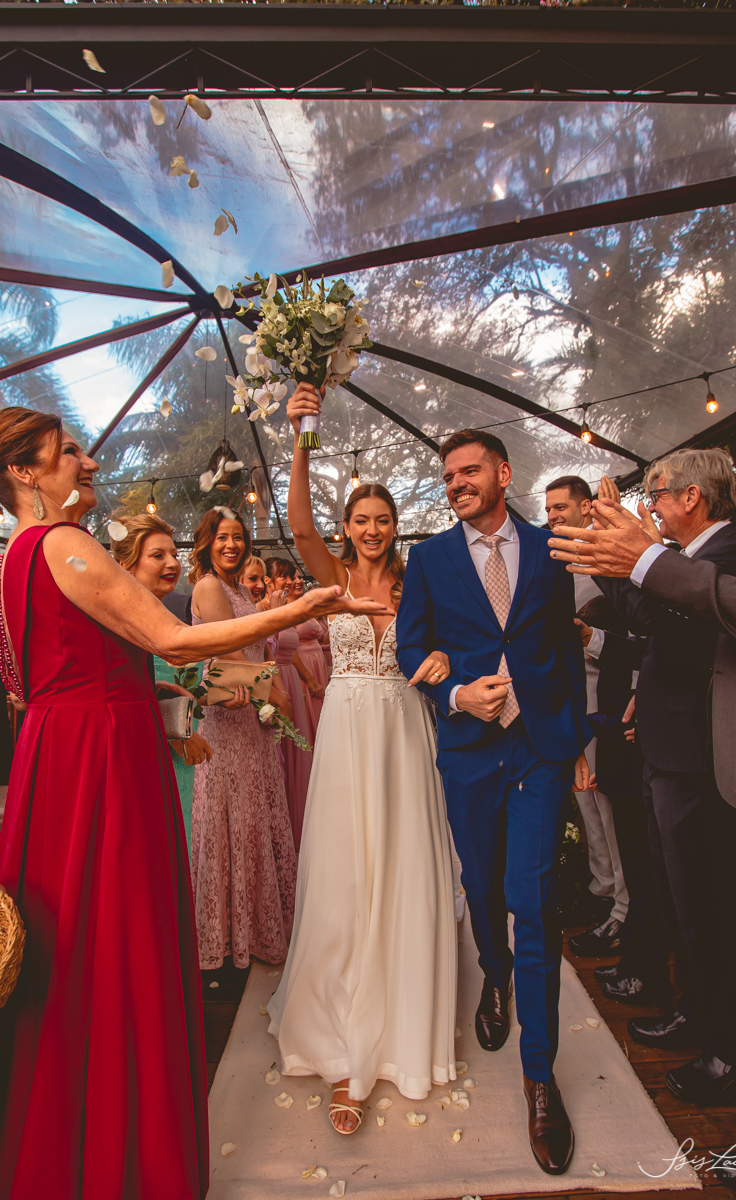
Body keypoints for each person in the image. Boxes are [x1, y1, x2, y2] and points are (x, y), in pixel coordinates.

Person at [0, 406, 385, 1200]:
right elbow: (171, 640)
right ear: (23, 471)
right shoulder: (62, 543)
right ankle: (123, 1155)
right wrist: (305, 607)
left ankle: (67, 1138)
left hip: (59, 756)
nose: (89, 463)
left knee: (72, 953)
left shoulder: (14, 558)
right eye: (69, 452)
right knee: (117, 943)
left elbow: (37, 678)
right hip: (102, 761)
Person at [547, 279, 736, 1198]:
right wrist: (624, 566)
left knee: (733, 932)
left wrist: (639, 560)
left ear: (690, 497)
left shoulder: (726, 544)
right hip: (703, 752)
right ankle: (729, 1048)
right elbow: (652, 620)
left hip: (719, 756)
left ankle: (730, 1050)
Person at [396, 428, 591, 1176]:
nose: (456, 484)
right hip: (471, 751)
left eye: (469, 471)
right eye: (448, 476)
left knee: (534, 900)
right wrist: (453, 692)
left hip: (539, 748)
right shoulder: (429, 559)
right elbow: (410, 648)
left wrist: (574, 738)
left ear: (503, 473)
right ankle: (494, 974)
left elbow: (562, 647)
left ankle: (539, 1077)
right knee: (481, 885)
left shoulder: (549, 550)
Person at [268, 383, 457, 1137]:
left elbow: (452, 645)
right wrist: (302, 434)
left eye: (382, 520)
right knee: (348, 873)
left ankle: (401, 1025)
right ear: (347, 528)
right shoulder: (333, 577)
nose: (372, 530)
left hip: (404, 731)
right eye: (361, 520)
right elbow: (296, 521)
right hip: (347, 732)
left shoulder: (418, 585)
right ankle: (342, 1038)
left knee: (404, 866)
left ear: (394, 527)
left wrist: (444, 657)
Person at [189, 509, 295, 972]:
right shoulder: (209, 586)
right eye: (222, 537)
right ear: (206, 543)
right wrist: (276, 695)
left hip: (252, 716)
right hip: (228, 718)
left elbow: (260, 646)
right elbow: (231, 653)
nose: (231, 545)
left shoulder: (237, 589)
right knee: (234, 820)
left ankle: (254, 927)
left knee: (254, 819)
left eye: (237, 537)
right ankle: (230, 933)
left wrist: (272, 697)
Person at [573, 597, 672, 1008]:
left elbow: (646, 663)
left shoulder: (652, 614)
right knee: (632, 863)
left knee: (642, 871)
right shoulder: (618, 638)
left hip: (637, 754)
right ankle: (633, 960)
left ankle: (644, 970)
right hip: (618, 756)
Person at [546, 475, 629, 956]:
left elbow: (634, 637)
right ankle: (602, 893)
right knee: (587, 807)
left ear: (585, 508)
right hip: (568, 704)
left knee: (608, 805)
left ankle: (624, 907)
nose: (553, 516)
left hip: (604, 702)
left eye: (561, 507)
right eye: (548, 510)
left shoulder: (606, 562)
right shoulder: (556, 566)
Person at [111, 511, 213, 849]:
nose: (172, 563)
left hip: (178, 755)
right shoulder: (120, 619)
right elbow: (120, 689)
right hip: (141, 753)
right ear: (126, 565)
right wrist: (178, 734)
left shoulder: (156, 614)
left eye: (173, 554)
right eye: (158, 555)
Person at [262, 556, 314, 849]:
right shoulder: (263, 609)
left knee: (297, 751)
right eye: (282, 575)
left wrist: (306, 681)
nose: (289, 581)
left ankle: (299, 827)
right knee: (280, 752)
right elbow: (267, 647)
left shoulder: (287, 608)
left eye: (290, 576)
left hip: (291, 679)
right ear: (268, 581)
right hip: (274, 679)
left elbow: (291, 651)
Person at [291, 571, 328, 737]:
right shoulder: (287, 610)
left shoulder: (305, 608)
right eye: (292, 578)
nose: (298, 581)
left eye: (300, 577)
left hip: (317, 666)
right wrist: (310, 680)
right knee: (308, 714)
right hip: (304, 669)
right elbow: (288, 648)